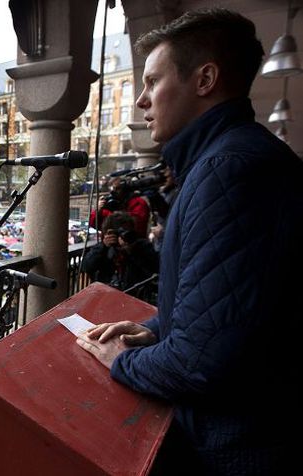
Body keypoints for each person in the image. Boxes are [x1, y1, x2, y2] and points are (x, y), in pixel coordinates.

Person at [76, 9, 303, 475]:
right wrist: (156, 330)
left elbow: (201, 363)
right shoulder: (233, 159)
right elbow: (235, 304)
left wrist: (123, 360)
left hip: (242, 448)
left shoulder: (228, 171)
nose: (141, 100)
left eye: (153, 82)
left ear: (205, 79)